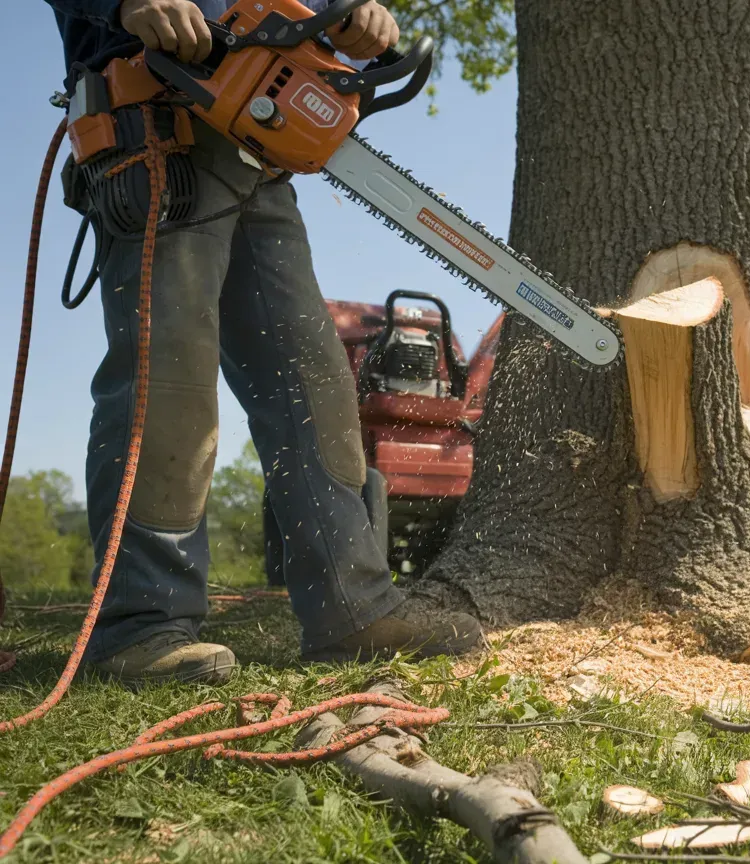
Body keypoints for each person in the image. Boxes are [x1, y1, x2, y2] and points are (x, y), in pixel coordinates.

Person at [43, 0, 484, 684]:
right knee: (172, 383)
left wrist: (350, 17)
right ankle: (142, 623)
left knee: (316, 381)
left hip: (255, 148)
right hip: (153, 127)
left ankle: (353, 607)